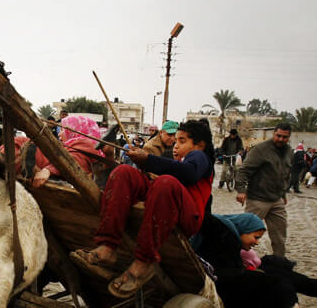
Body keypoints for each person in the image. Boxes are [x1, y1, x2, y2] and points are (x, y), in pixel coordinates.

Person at [69, 120, 213, 298]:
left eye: (182, 141)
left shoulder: (199, 157)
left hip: (189, 217)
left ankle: (145, 261)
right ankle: (107, 246)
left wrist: (148, 160)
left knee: (165, 183)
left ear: (200, 145)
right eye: (175, 141)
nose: (176, 146)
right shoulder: (174, 158)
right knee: (124, 172)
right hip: (166, 201)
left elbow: (188, 174)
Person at [235, 122, 292, 257]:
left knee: (280, 237)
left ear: (289, 137)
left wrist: (283, 193)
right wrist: (241, 190)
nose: (280, 139)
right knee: (245, 233)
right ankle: (236, 259)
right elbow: (243, 170)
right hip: (257, 199)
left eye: (284, 137)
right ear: (274, 133)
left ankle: (280, 263)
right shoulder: (261, 150)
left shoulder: (289, 152)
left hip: (276, 200)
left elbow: (285, 174)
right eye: (278, 136)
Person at [32, 114, 105, 188]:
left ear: (74, 130)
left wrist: (47, 170)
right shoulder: (73, 146)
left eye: (62, 130)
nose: (59, 134)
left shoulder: (84, 144)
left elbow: (71, 161)